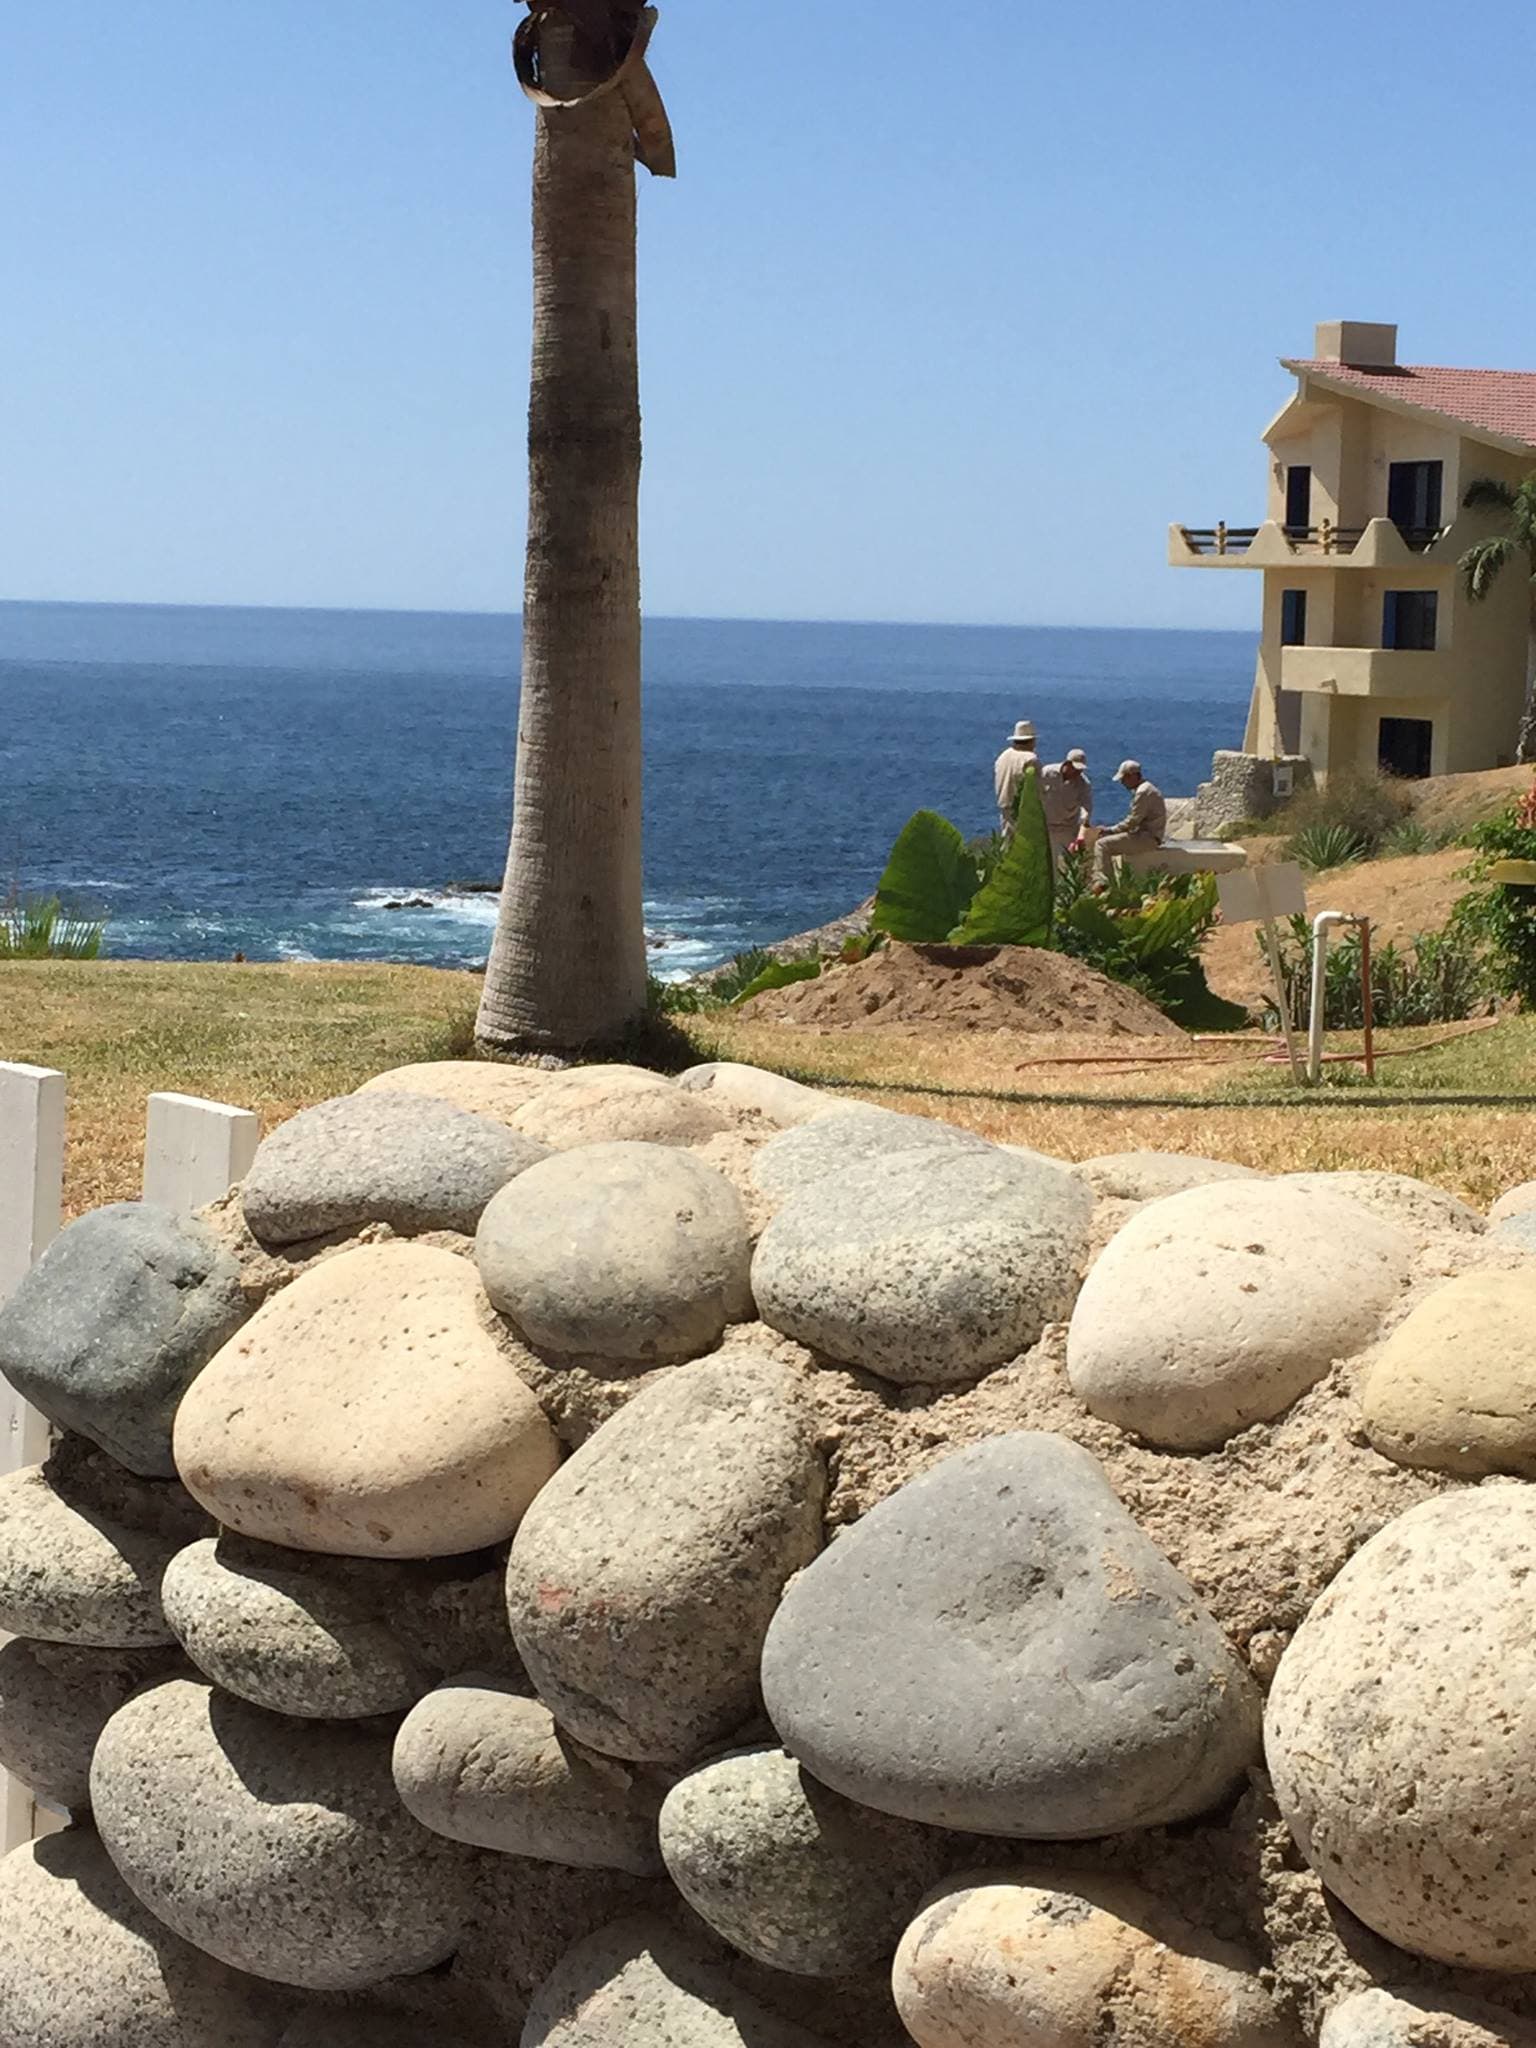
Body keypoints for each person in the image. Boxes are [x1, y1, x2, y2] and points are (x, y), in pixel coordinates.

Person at [1093, 760, 1167, 881]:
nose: (1122, 782)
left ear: (1133, 776)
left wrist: (1111, 830)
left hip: (1147, 838)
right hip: (1148, 835)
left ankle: (1103, 883)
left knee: (1102, 845)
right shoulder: (1146, 789)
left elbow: (1133, 820)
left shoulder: (1143, 792)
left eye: (1124, 778)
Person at [1039, 748, 1092, 866]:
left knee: (1067, 866)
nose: (1078, 773)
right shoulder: (1047, 772)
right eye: (1076, 769)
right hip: (1046, 826)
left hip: (1067, 829)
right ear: (1067, 763)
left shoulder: (1083, 784)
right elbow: (1035, 794)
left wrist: (1081, 834)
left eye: (1081, 770)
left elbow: (1086, 809)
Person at [993, 720, 1038, 836]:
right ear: (1032, 741)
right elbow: (1037, 787)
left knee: (1008, 846)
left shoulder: (1003, 756)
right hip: (1022, 812)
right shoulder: (1030, 759)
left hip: (1005, 809)